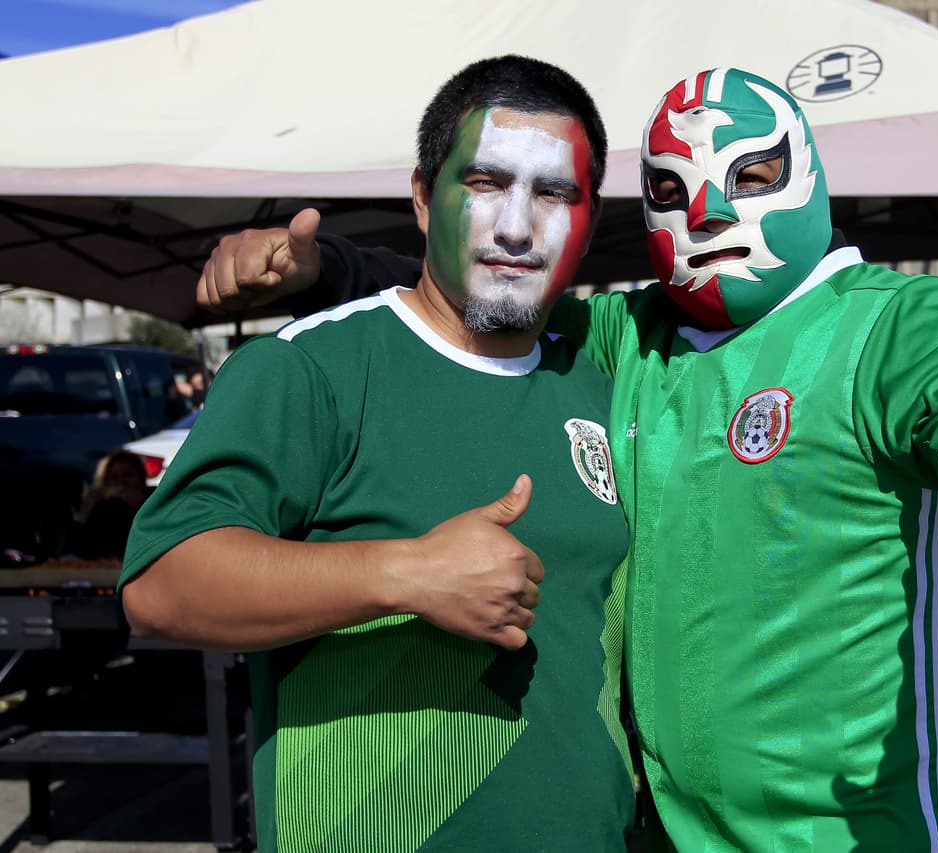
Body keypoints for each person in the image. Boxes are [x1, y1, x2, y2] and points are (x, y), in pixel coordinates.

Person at [195, 67, 938, 851]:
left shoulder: (892, 324)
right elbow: (478, 282)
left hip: (872, 834)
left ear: (806, 173)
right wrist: (319, 270)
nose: (704, 210)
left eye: (748, 173)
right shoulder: (630, 334)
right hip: (667, 836)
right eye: (668, 188)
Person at [120, 56, 637, 852]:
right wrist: (404, 573)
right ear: (425, 198)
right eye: (489, 182)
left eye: (554, 193)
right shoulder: (310, 367)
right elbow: (160, 584)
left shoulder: (599, 379)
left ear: (591, 220)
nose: (515, 226)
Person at [72, 449, 151, 559]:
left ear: (141, 479)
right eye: (114, 477)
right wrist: (85, 513)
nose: (121, 482)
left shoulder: (152, 506)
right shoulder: (101, 509)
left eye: (128, 475)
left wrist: (136, 507)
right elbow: (80, 550)